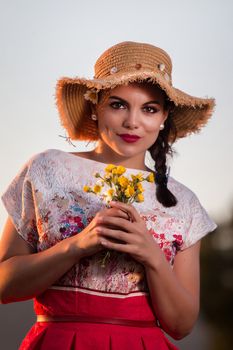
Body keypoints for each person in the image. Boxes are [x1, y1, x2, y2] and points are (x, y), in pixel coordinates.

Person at [0, 41, 216, 350]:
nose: (132, 122)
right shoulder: (46, 169)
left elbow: (181, 326)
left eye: (149, 109)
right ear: (95, 106)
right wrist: (77, 245)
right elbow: (5, 286)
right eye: (118, 104)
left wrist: (150, 254)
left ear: (164, 117)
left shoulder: (185, 203)